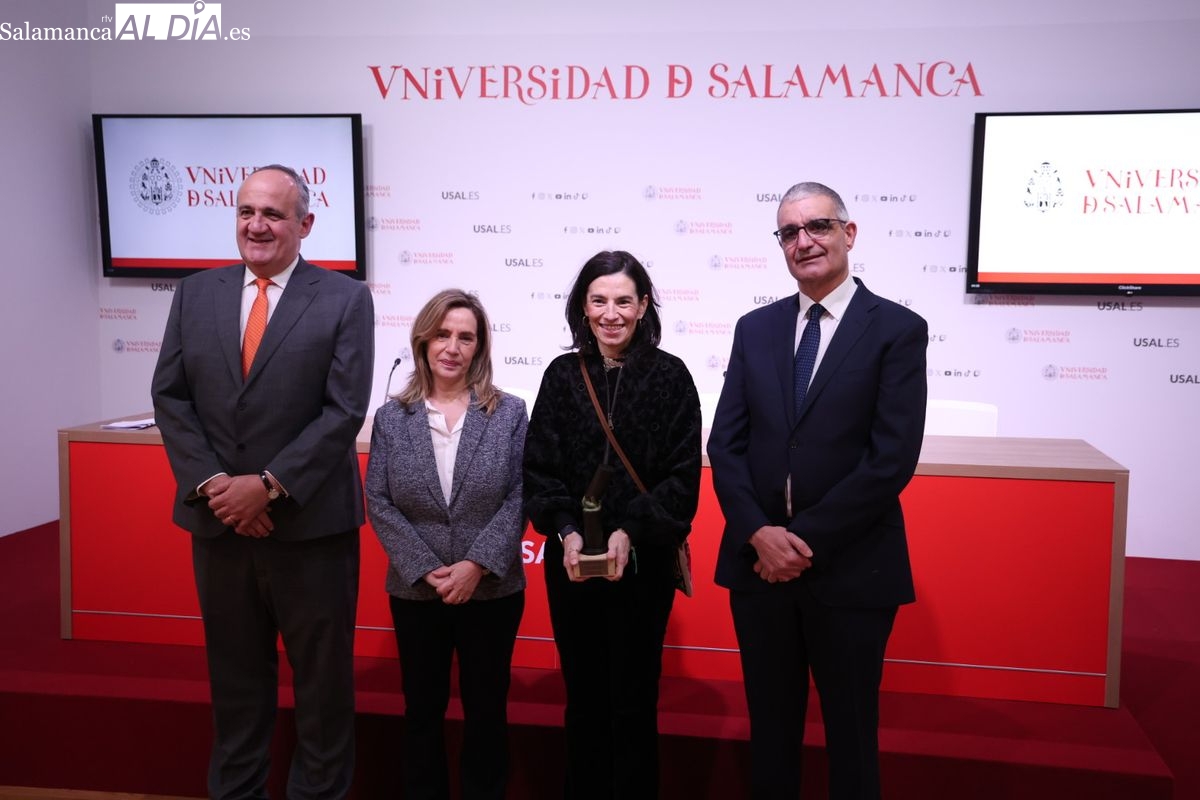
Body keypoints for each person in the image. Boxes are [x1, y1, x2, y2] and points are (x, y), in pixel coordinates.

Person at [151, 164, 374, 800]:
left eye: (273, 214)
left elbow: (343, 411)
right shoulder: (195, 294)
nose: (257, 225)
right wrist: (220, 485)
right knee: (236, 685)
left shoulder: (344, 299)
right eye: (247, 211)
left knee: (322, 691)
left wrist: (268, 485)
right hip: (219, 526)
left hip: (311, 531)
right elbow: (170, 397)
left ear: (304, 224)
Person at [707, 182, 928, 800]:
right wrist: (759, 533)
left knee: (852, 740)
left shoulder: (898, 330)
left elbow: (890, 461)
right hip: (758, 569)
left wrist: (798, 541)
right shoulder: (755, 328)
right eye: (789, 232)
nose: (803, 241)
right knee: (771, 735)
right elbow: (725, 445)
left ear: (848, 234)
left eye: (818, 226)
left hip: (851, 571)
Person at [523, 250, 702, 799]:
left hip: (641, 566)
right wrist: (566, 530)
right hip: (572, 562)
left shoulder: (671, 376)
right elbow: (539, 467)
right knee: (583, 698)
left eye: (624, 300)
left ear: (644, 305)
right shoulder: (561, 375)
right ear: (583, 305)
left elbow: (682, 477)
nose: (611, 313)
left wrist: (630, 529)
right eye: (599, 300)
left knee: (632, 699)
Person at [365, 289, 528, 800]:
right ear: (424, 339)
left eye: (465, 336)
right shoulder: (394, 417)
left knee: (486, 714)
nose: (452, 346)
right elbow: (379, 500)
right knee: (422, 712)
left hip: (492, 592)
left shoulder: (510, 412)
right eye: (442, 334)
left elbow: (522, 493)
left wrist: (476, 564)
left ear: (480, 347)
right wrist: (426, 567)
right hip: (418, 593)